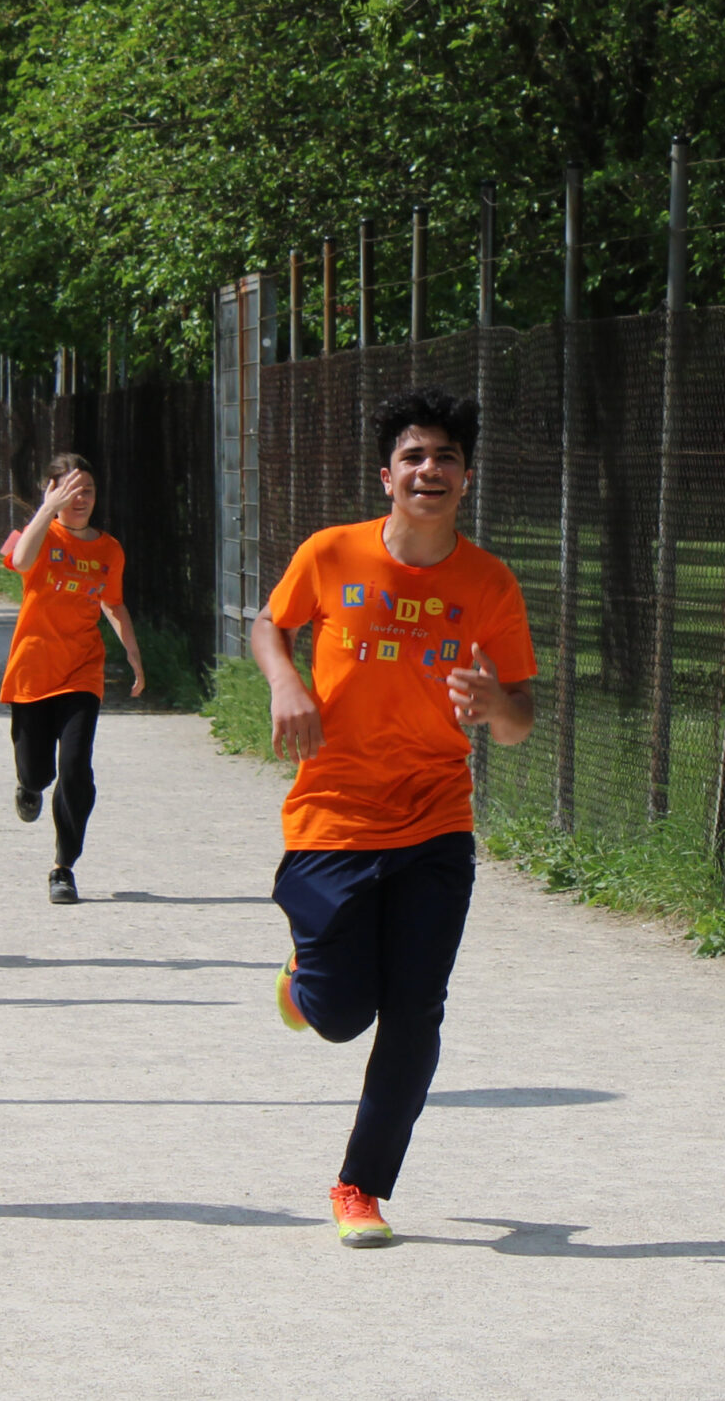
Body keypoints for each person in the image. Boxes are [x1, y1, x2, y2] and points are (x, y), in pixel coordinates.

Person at [249, 386, 536, 1249]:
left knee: (417, 1009)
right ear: (387, 476)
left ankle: (359, 1185)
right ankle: (304, 978)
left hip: (434, 819)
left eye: (446, 456)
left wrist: (494, 703)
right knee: (340, 1013)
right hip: (332, 815)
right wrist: (287, 680)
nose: (430, 469)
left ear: (467, 476)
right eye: (414, 455)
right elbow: (271, 624)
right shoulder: (330, 554)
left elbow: (521, 717)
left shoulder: (487, 582)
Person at [0, 452, 145, 904]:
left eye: (88, 490)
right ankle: (27, 785)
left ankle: (63, 865)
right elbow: (21, 563)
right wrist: (45, 511)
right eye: (70, 489)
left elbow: (114, 604)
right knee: (38, 771)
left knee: (76, 769)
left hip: (82, 670)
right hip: (32, 669)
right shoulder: (38, 535)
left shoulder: (109, 549)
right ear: (51, 490)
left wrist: (135, 657)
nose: (81, 499)